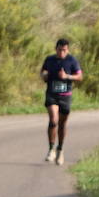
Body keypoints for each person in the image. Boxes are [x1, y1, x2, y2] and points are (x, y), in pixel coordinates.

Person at [40, 38, 84, 166]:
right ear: (56, 49)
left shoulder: (72, 61)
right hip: (52, 94)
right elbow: (43, 71)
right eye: (59, 50)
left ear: (67, 50)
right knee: (53, 120)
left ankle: (60, 149)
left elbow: (80, 76)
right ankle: (51, 149)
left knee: (62, 124)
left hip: (65, 96)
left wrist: (67, 77)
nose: (62, 53)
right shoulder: (49, 59)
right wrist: (44, 76)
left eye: (64, 50)